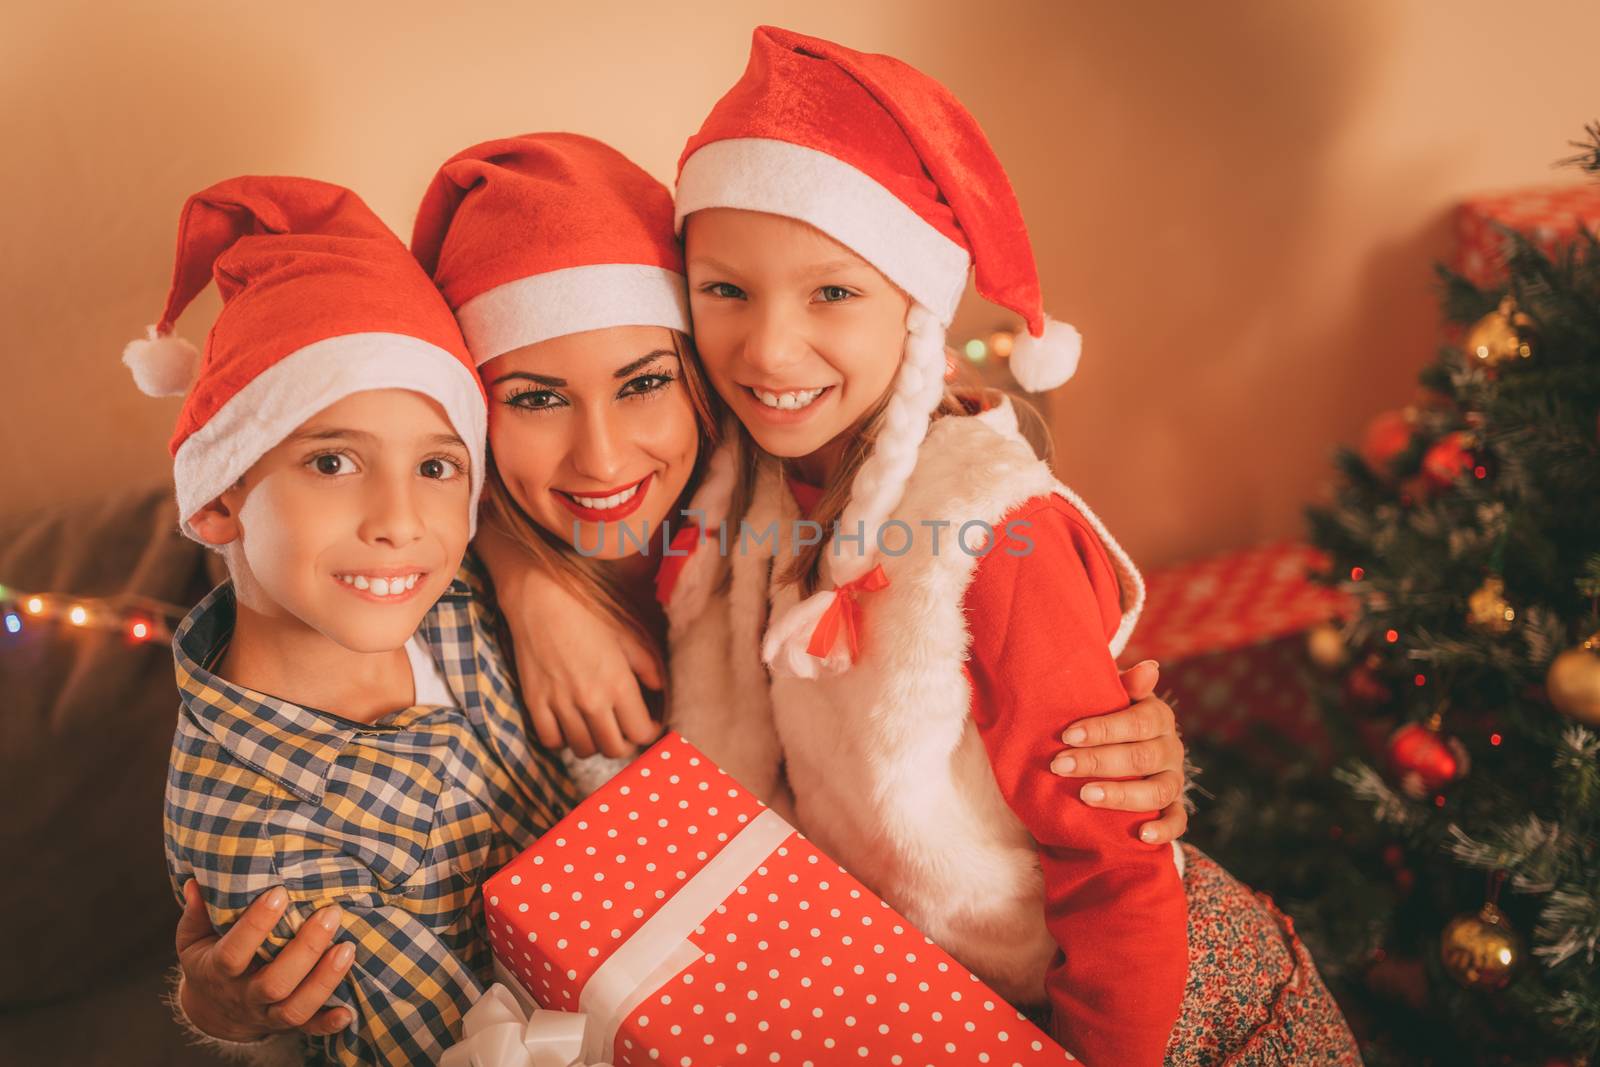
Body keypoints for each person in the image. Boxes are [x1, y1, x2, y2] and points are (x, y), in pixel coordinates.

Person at [169, 134, 1196, 1057]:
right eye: (531, 398)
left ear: (702, 377)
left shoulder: (796, 488)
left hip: (1069, 980)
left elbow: (979, 514)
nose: (603, 453)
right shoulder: (422, 581)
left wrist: (1121, 737)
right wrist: (225, 1008)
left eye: (645, 380)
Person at [660, 26, 1360, 1064]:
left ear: (916, 305)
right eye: (725, 289)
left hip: (1140, 1006)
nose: (765, 347)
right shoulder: (741, 482)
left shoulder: (996, 534)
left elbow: (1115, 873)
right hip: (955, 990)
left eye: (833, 291)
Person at [134, 175, 576, 1065]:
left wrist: (545, 588)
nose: (400, 519)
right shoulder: (270, 846)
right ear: (219, 502)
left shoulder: (451, 601)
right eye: (334, 460)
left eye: (438, 467)